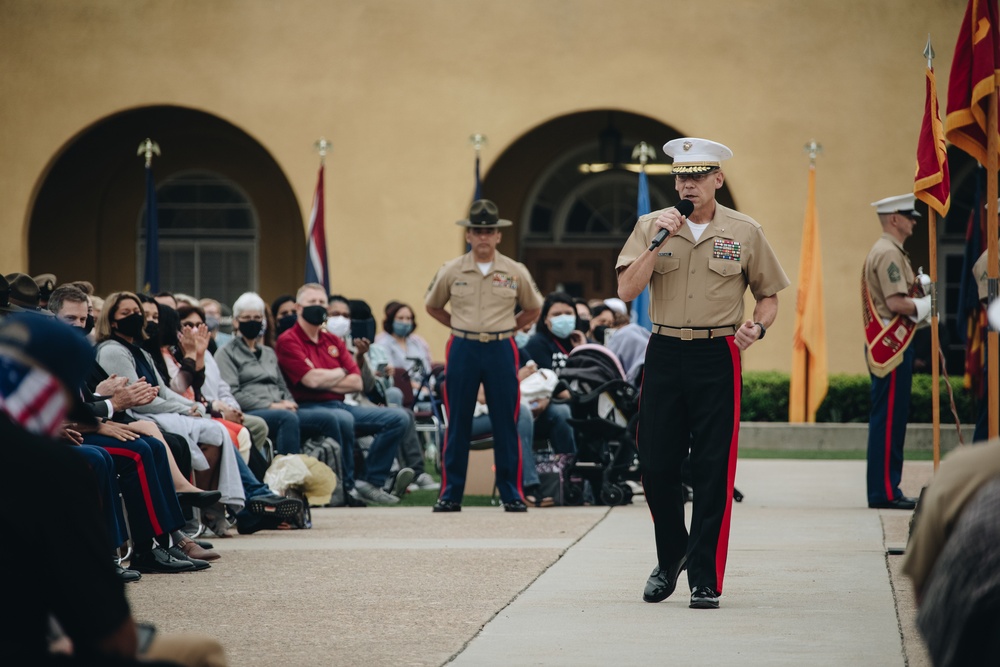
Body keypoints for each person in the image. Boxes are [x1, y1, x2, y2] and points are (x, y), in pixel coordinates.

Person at [616, 137, 789, 609]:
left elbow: (769, 294)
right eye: (680, 176)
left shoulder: (745, 230)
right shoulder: (652, 226)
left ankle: (705, 577)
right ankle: (671, 555)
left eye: (697, 176)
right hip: (666, 351)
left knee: (713, 469)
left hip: (718, 354)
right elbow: (628, 289)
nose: (687, 184)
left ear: (718, 179)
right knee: (655, 464)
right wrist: (658, 243)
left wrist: (758, 326)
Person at [0, 313, 228, 667]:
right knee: (201, 654)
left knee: (148, 443)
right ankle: (150, 546)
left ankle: (166, 538)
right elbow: (109, 631)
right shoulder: (52, 470)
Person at [425, 198, 543, 512]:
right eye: (477, 230)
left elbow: (534, 307)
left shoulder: (514, 270)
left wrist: (510, 327)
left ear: (498, 236)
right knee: (459, 421)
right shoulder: (452, 269)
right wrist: (459, 326)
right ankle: (450, 494)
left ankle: (511, 494)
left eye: (489, 231)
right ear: (468, 235)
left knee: (507, 421)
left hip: (501, 347)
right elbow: (433, 305)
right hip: (463, 347)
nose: (483, 237)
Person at [275, 283, 412, 505]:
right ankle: (346, 487)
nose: (318, 307)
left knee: (399, 417)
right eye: (312, 302)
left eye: (321, 303)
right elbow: (309, 380)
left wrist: (323, 378)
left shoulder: (332, 340)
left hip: (340, 406)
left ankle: (369, 481)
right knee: (342, 418)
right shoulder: (288, 340)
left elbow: (357, 382)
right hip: (306, 407)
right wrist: (340, 372)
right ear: (299, 308)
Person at [862, 193, 931, 510]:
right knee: (888, 420)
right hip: (891, 347)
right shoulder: (888, 253)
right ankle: (885, 491)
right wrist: (926, 305)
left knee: (890, 417)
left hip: (894, 344)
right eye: (909, 215)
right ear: (894, 219)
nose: (915, 221)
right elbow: (894, 303)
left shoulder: (890, 250)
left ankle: (887, 487)